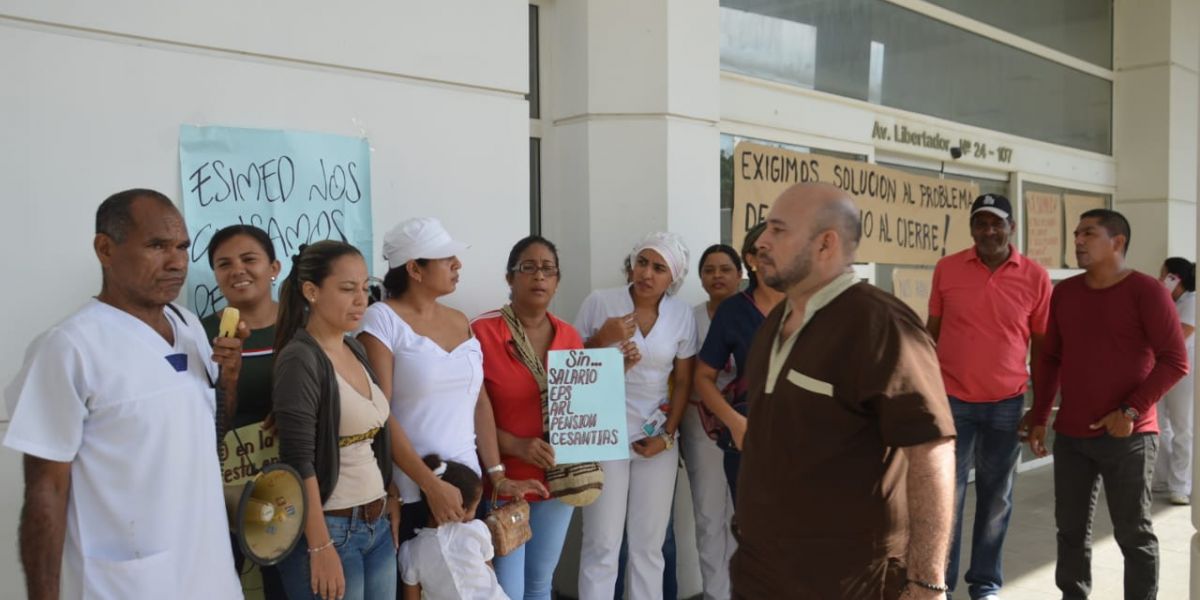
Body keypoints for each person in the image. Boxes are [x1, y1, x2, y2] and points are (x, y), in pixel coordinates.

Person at [4, 189, 244, 599]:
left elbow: (210, 431)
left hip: (210, 575)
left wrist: (230, 380)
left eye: (183, 247)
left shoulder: (187, 325)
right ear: (105, 249)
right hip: (125, 585)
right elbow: (47, 492)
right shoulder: (70, 347)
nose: (176, 262)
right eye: (157, 246)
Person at [730, 183, 956, 600]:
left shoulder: (880, 324)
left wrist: (926, 580)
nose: (761, 241)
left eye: (778, 230)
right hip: (760, 571)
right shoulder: (775, 321)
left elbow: (931, 450)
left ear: (825, 244)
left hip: (848, 581)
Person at [1022, 209, 1188, 599]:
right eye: (1077, 233)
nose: (1077, 240)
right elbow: (1050, 358)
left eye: (1088, 234)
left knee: (1133, 533)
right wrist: (1041, 414)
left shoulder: (1147, 292)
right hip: (1073, 437)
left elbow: (1176, 360)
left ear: (1117, 242)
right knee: (1070, 531)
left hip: (1129, 437)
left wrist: (1130, 411)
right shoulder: (1065, 292)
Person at [357, 218, 546, 552]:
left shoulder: (460, 319)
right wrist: (430, 485)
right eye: (446, 258)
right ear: (414, 269)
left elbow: (479, 403)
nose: (457, 264)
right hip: (414, 491)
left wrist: (497, 475)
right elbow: (379, 413)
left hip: (469, 490)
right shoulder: (382, 320)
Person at [925, 194, 1051, 600]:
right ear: (972, 228)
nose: (989, 231)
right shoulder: (947, 269)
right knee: (947, 496)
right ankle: (938, 581)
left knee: (997, 497)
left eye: (997, 223)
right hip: (952, 400)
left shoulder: (1035, 276)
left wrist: (1040, 409)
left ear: (1012, 227)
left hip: (1007, 401)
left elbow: (1043, 347)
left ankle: (985, 584)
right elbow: (932, 332)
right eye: (981, 223)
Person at [272, 241, 402, 600]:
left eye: (365, 287)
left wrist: (389, 493)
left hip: (374, 524)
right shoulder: (300, 358)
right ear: (311, 291)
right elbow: (299, 460)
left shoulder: (354, 347)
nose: (361, 299)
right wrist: (319, 546)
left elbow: (372, 435)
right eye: (347, 289)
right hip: (332, 527)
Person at [470, 235, 597, 600]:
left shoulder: (569, 335)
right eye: (528, 268)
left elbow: (582, 406)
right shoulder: (482, 332)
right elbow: (464, 411)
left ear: (557, 281)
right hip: (503, 478)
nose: (539, 277)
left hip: (556, 478)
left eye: (548, 270)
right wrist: (516, 445)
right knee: (506, 588)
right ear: (510, 278)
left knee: (540, 583)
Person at [575, 231, 698, 600]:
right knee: (602, 542)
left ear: (672, 278)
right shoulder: (601, 303)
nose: (647, 273)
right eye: (642, 262)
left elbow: (685, 379)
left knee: (649, 545)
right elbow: (569, 365)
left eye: (659, 268)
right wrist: (602, 338)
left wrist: (669, 434)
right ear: (631, 264)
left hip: (656, 436)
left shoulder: (680, 315)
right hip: (603, 430)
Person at [201, 224, 287, 599]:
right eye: (224, 263)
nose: (237, 270)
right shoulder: (200, 333)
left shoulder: (303, 328)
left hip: (292, 486)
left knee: (285, 584)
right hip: (223, 486)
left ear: (274, 267)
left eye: (249, 259)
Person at [693, 222, 783, 499]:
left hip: (805, 438)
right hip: (749, 435)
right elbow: (703, 377)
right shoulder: (733, 311)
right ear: (751, 260)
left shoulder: (811, 305)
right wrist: (733, 421)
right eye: (767, 250)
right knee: (753, 531)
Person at [681, 243, 741, 600]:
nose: (716, 276)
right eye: (709, 270)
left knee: (742, 516)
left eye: (724, 269)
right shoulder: (691, 318)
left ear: (740, 275)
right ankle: (716, 594)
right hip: (700, 425)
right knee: (707, 514)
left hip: (746, 427)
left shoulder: (754, 313)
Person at [400, 455, 508, 600]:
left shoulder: (410, 552)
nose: (474, 515)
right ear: (459, 509)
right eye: (474, 509)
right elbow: (491, 578)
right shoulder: (477, 530)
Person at [1154, 257, 1196, 506]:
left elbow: (1177, 338)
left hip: (1184, 374)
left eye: (1164, 275)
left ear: (1175, 279)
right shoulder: (1170, 302)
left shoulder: (1192, 301)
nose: (1160, 280)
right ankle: (1163, 479)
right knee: (1159, 427)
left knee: (1183, 430)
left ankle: (1181, 485)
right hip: (1162, 372)